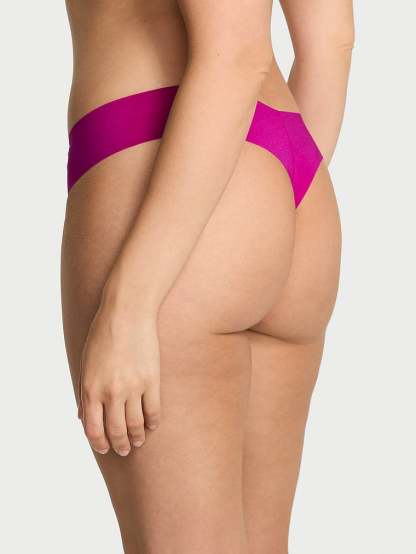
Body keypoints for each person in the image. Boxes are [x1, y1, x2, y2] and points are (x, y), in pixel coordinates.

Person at [61, 0, 354, 552]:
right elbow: (332, 40)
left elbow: (235, 52)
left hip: (163, 165)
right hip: (289, 180)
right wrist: (265, 215)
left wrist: (130, 306)